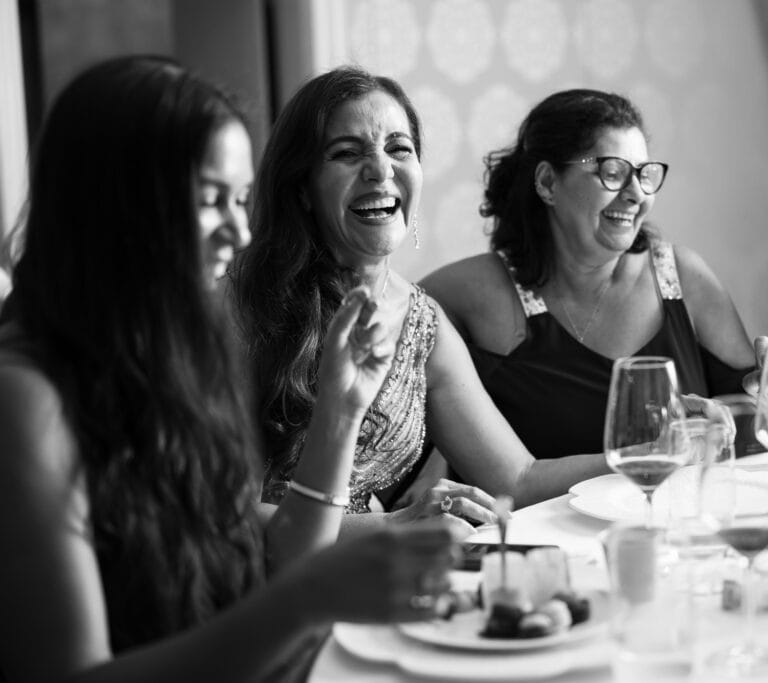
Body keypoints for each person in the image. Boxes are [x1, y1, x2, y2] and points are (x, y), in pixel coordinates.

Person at [0, 56, 455, 683]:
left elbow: (280, 552)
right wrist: (306, 601)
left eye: (242, 200)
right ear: (115, 205)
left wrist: (340, 411)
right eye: (213, 200)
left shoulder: (172, 352)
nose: (239, 230)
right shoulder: (24, 396)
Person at [234, 68, 613, 528]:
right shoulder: (245, 307)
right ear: (303, 189)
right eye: (347, 153)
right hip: (260, 585)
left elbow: (517, 478)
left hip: (378, 575)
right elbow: (222, 515)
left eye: (399, 148)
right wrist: (394, 527)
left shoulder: (421, 321)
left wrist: (645, 457)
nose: (380, 170)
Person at [421, 88, 755, 460]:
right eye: (613, 173)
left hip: (678, 516)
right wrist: (436, 461)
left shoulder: (682, 277)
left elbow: (749, 420)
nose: (636, 195)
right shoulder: (476, 294)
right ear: (548, 183)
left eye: (645, 175)